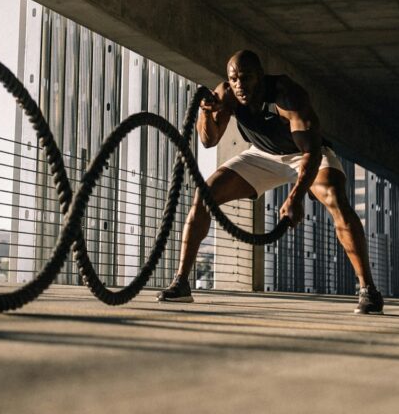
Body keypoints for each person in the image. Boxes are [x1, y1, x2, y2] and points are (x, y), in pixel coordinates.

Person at [157, 50, 384, 314]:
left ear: (260, 77)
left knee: (336, 198)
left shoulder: (288, 95)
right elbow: (209, 141)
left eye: (246, 77)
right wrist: (206, 113)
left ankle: (368, 290)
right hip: (262, 155)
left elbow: (311, 152)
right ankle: (181, 283)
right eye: (234, 79)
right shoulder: (228, 93)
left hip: (305, 155)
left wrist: (296, 197)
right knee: (205, 195)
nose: (240, 85)